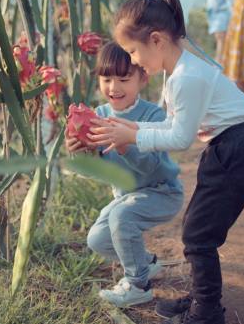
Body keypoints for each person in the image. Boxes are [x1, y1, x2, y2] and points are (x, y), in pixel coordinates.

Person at [87, 0, 244, 324]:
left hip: (238, 148)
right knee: (197, 230)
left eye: (133, 52)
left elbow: (180, 139)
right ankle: (201, 300)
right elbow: (171, 127)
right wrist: (130, 128)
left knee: (198, 235)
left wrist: (133, 137)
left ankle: (206, 313)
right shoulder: (180, 70)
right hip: (232, 146)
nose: (135, 62)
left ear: (156, 40)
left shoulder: (185, 77)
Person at [66, 42, 184, 308]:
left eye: (123, 78)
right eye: (106, 78)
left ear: (142, 78)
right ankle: (148, 263)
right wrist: (81, 152)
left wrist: (125, 144)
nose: (114, 87)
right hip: (127, 196)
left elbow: (152, 166)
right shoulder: (98, 116)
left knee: (122, 217)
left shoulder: (154, 115)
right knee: (97, 240)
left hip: (162, 191)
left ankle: (138, 285)